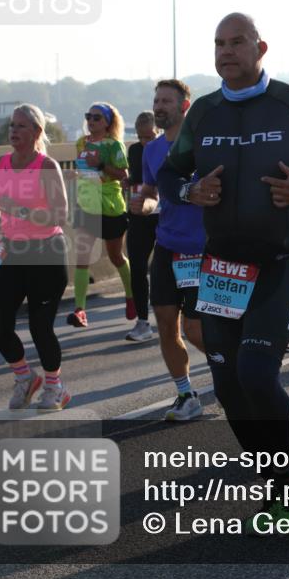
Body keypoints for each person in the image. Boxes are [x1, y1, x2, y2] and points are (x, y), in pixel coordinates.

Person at [157, 13, 289, 533]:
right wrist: (189, 191)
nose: (226, 52)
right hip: (221, 266)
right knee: (227, 386)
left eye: (237, 42)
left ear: (260, 47)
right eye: (218, 44)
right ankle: (276, 486)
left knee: (255, 374)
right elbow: (169, 170)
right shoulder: (204, 111)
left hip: (280, 261)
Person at [0, 104, 71, 410]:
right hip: (12, 251)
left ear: (36, 132)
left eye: (22, 126)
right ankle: (24, 377)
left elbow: (61, 214)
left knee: (40, 326)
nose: (14, 131)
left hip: (47, 251)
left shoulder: (47, 167)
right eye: (12, 125)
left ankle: (55, 386)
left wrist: (22, 211)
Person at [133, 80, 207, 420]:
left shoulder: (204, 145)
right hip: (166, 246)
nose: (159, 106)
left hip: (202, 248)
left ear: (184, 106)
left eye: (166, 101)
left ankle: (236, 367)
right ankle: (185, 394)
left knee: (195, 330)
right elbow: (151, 192)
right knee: (165, 323)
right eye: (156, 100)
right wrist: (143, 204)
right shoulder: (151, 150)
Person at [68, 102, 134, 328]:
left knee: (116, 257)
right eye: (89, 116)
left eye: (96, 117)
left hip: (110, 206)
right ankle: (80, 310)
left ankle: (131, 296)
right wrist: (75, 174)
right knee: (82, 259)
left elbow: (123, 175)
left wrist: (102, 164)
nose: (91, 121)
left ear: (108, 122)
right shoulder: (81, 142)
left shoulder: (114, 145)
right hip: (86, 204)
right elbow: (85, 170)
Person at [124, 111, 159, 342]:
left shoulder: (168, 149)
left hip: (164, 215)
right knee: (137, 268)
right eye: (141, 137)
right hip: (138, 214)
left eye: (149, 137)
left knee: (167, 269)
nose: (145, 142)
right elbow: (136, 178)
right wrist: (127, 182)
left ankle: (185, 316)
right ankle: (143, 322)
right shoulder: (135, 150)